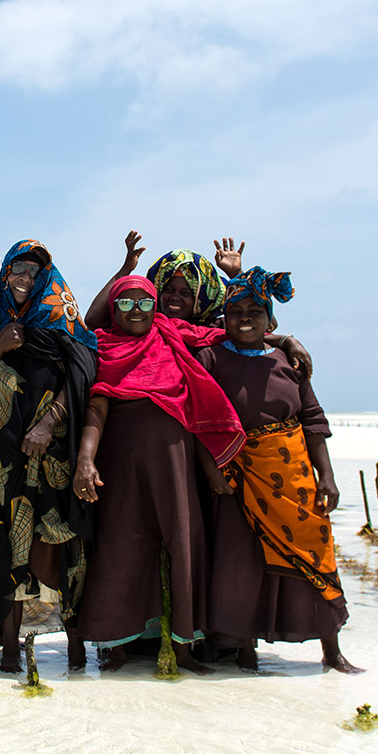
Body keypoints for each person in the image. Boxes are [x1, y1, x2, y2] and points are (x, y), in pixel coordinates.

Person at [194, 266, 362, 674]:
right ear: (224, 319)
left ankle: (331, 651)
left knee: (316, 556)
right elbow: (196, 421)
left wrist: (328, 476)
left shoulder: (288, 359)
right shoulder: (210, 357)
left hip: (294, 478)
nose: (245, 318)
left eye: (255, 311)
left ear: (271, 320)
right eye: (236, 312)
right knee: (241, 564)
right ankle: (245, 651)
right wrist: (211, 469)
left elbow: (313, 420)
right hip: (238, 475)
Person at [72, 275, 244, 672]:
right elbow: (97, 407)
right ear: (115, 310)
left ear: (156, 307)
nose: (136, 311)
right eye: (126, 304)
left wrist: (284, 340)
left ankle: (184, 648)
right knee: (120, 546)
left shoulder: (170, 335)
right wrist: (86, 460)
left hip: (174, 458)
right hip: (121, 462)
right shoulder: (103, 346)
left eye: (145, 303)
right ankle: (115, 645)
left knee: (181, 542)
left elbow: (229, 331)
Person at [0, 239, 97, 673]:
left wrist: (49, 422)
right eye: (17, 271)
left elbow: (83, 377)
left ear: (45, 277)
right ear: (5, 275)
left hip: (53, 455)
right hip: (2, 458)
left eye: (33, 272)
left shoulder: (62, 321)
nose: (24, 280)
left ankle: (75, 648)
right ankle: (10, 651)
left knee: (67, 543)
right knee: (8, 546)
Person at [85, 232, 312, 372]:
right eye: (169, 289)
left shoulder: (213, 328)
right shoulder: (143, 324)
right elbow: (93, 321)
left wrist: (238, 274)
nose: (175, 297)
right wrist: (126, 270)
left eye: (186, 293)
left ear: (201, 297)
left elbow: (265, 325)